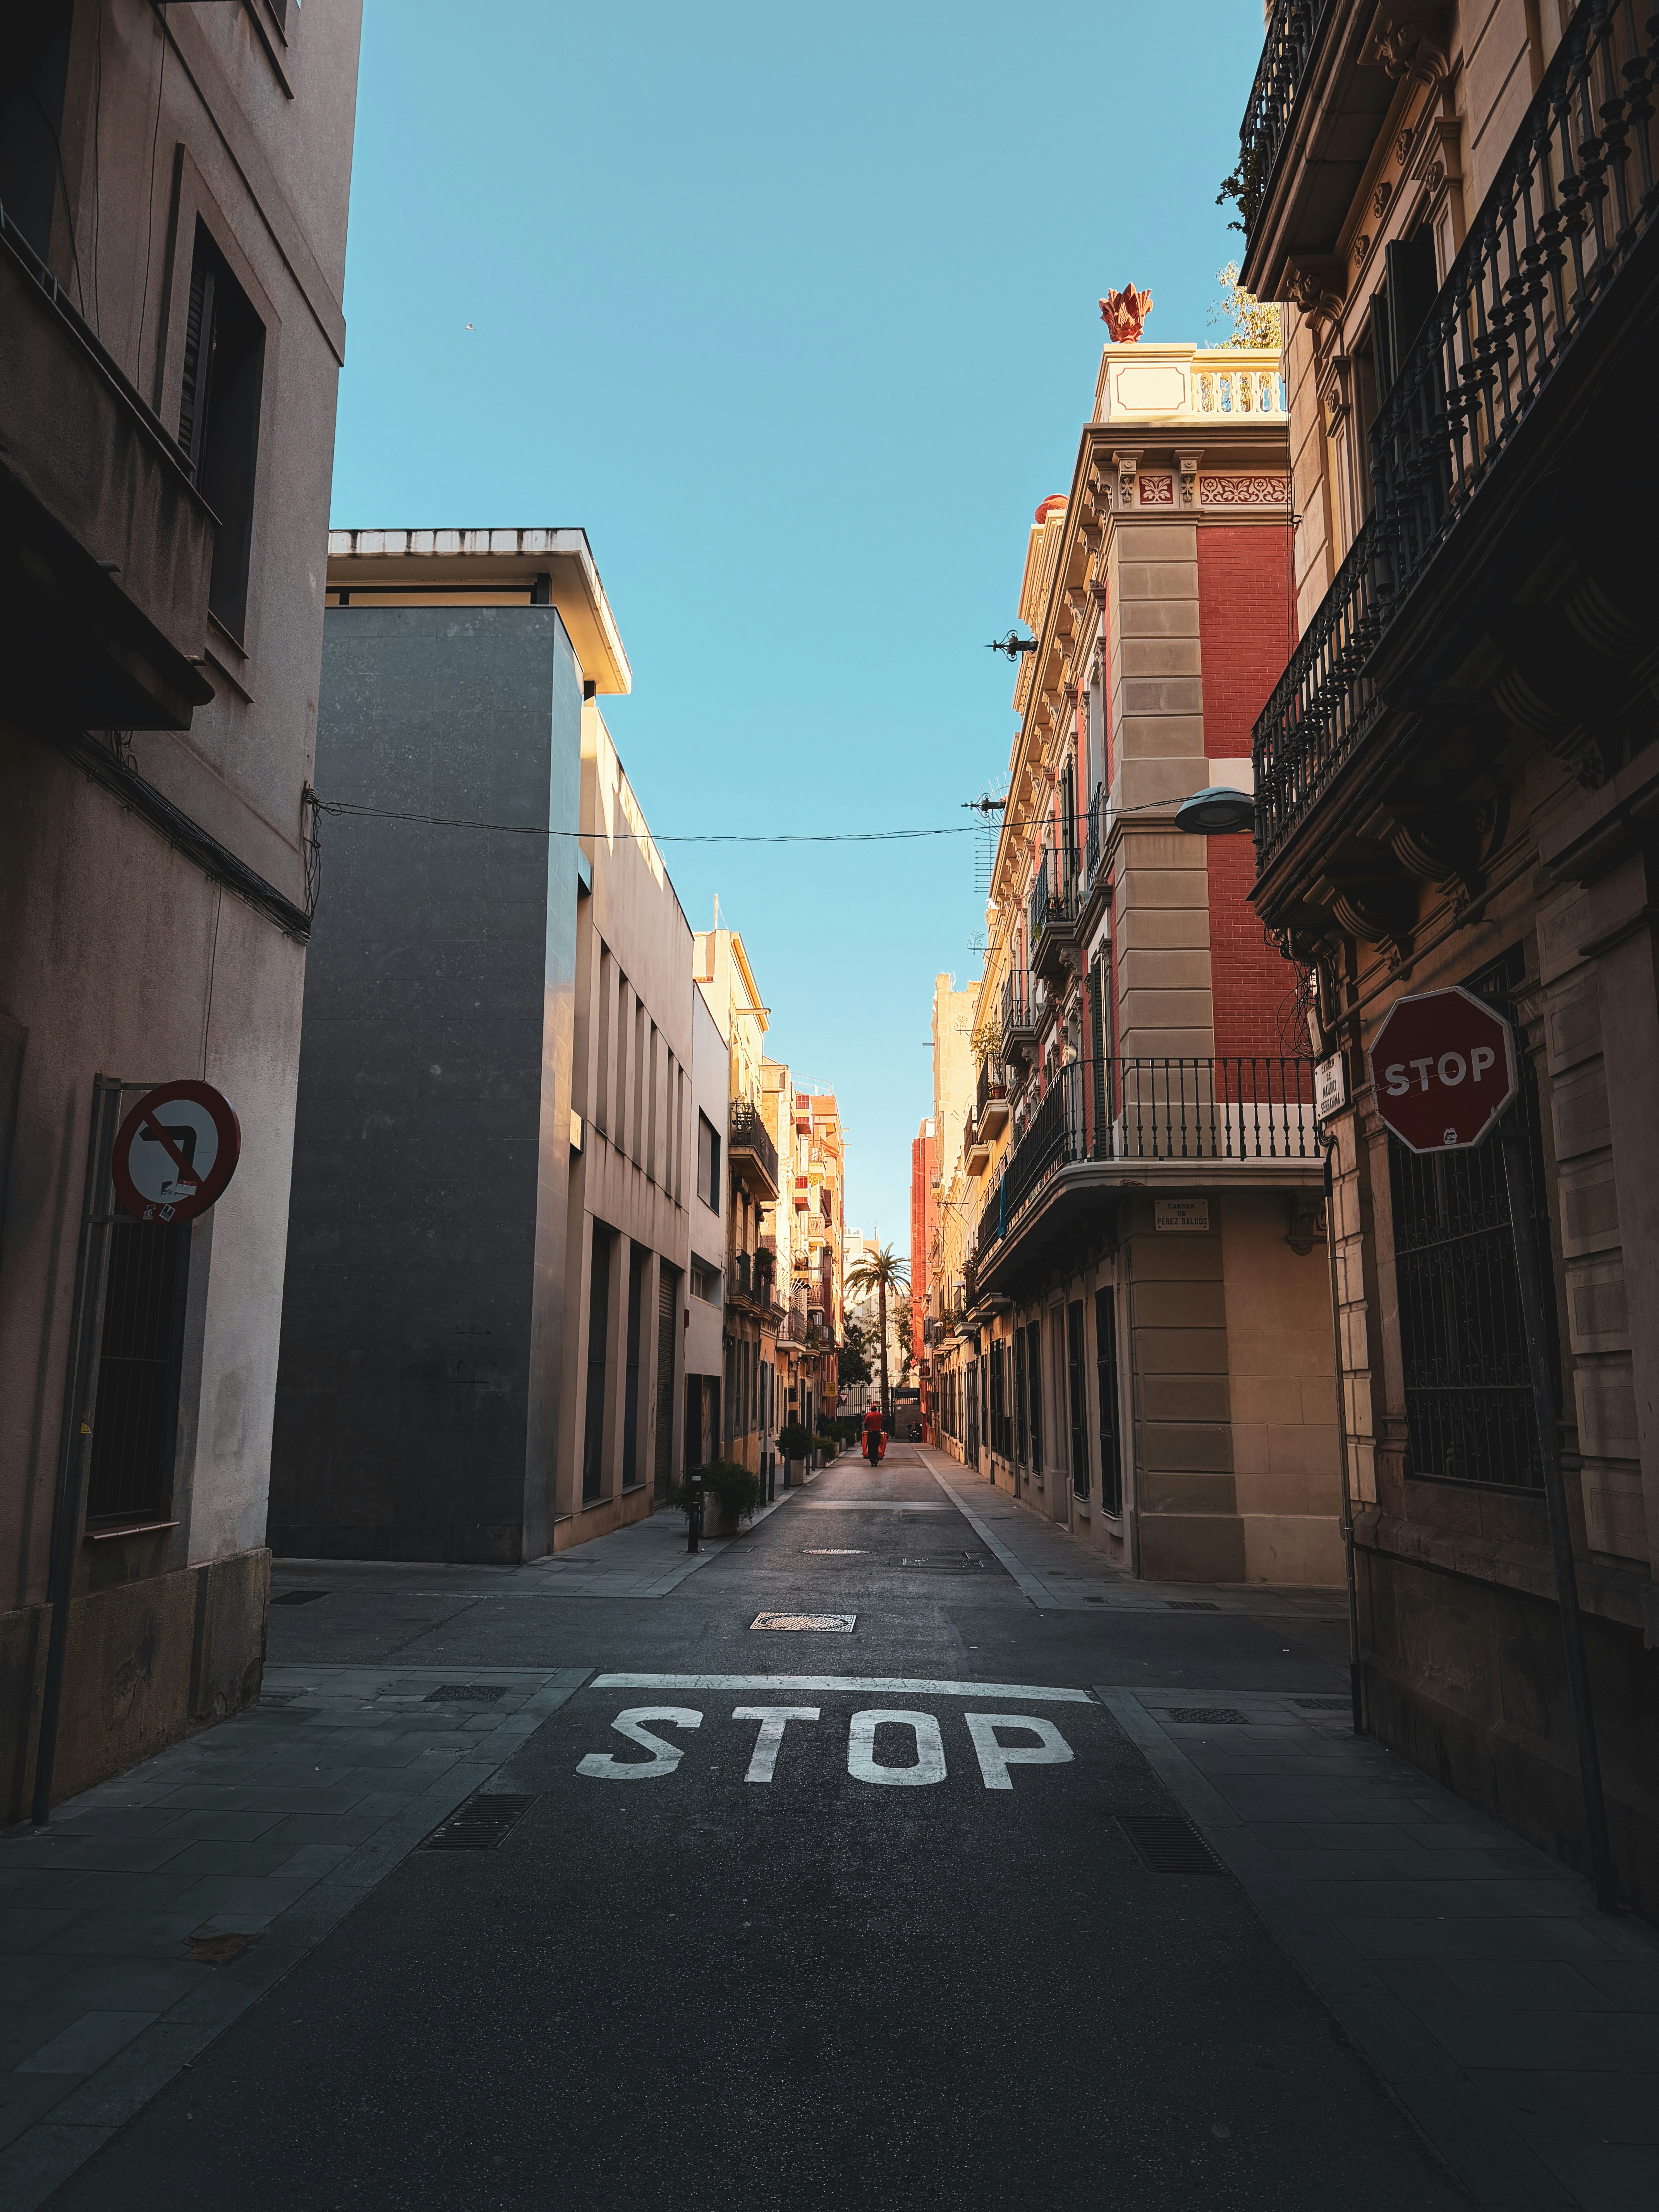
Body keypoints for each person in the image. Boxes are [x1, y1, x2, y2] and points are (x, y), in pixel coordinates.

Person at [862, 1399, 886, 1466]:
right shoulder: (880, 1415)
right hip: (877, 1433)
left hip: (871, 1433)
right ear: (876, 1409)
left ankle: (872, 1458)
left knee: (871, 1446)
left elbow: (866, 1423)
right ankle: (876, 1458)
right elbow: (882, 1423)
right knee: (876, 1446)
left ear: (871, 1409)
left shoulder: (868, 1415)